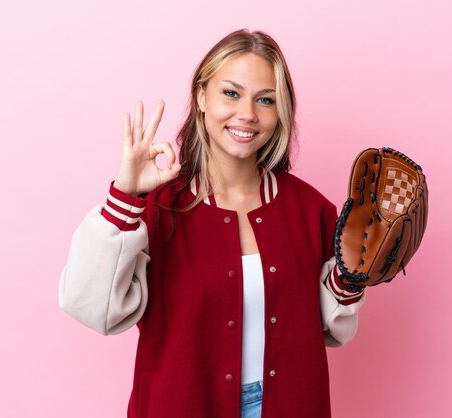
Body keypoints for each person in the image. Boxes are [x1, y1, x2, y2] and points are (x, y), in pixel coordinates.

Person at [59, 29, 366, 418]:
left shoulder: (312, 210)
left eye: (266, 100)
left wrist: (350, 281)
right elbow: (93, 309)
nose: (248, 114)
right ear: (202, 96)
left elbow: (331, 329)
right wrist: (125, 197)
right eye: (231, 93)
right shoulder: (158, 207)